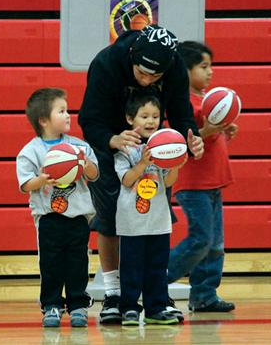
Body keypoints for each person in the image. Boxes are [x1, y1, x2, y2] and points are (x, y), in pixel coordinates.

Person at [78, 24, 204, 323]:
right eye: (142, 73)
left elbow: (182, 111)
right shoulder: (106, 63)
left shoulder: (174, 67)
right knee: (110, 220)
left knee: (154, 221)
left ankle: (157, 296)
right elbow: (89, 118)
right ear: (133, 56)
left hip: (156, 147)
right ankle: (113, 293)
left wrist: (192, 138)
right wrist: (113, 139)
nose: (147, 80)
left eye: (154, 77)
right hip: (111, 143)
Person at [16, 87, 99, 327]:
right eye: (61, 111)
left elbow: (94, 175)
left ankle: (77, 305)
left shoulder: (78, 147)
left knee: (78, 263)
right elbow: (24, 184)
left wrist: (84, 163)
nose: (67, 115)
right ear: (43, 120)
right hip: (49, 218)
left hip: (78, 216)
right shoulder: (30, 151)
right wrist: (41, 180)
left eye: (67, 110)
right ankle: (51, 305)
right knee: (51, 264)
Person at [167, 41, 238, 312]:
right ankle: (157, 280)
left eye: (211, 66)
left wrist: (225, 127)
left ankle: (204, 295)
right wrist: (208, 130)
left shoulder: (208, 100)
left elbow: (211, 130)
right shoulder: (182, 104)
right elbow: (187, 140)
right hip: (193, 184)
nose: (210, 72)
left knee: (215, 245)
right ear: (185, 71)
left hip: (214, 181)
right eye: (203, 66)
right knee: (201, 239)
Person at [114, 91, 187, 325]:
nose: (151, 121)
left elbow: (167, 182)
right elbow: (127, 180)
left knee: (157, 267)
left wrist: (176, 164)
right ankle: (129, 308)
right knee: (131, 268)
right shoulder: (124, 149)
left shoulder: (164, 147)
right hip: (131, 221)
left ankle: (156, 307)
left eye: (155, 116)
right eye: (144, 116)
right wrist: (144, 162)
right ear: (129, 119)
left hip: (158, 220)